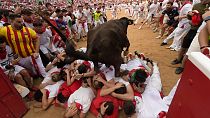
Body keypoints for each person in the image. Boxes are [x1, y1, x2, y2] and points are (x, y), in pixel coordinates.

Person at [0, 13, 47, 78]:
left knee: (42, 71)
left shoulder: (27, 29)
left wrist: (36, 52)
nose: (21, 23)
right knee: (32, 73)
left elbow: (37, 38)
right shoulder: (4, 30)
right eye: (19, 22)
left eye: (22, 21)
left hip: (32, 55)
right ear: (11, 21)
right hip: (20, 58)